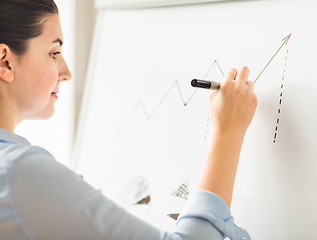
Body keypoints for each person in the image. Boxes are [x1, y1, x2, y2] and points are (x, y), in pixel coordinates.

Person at [0, 0, 258, 239]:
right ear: (5, 62)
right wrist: (228, 132)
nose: (66, 72)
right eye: (54, 52)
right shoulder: (19, 171)